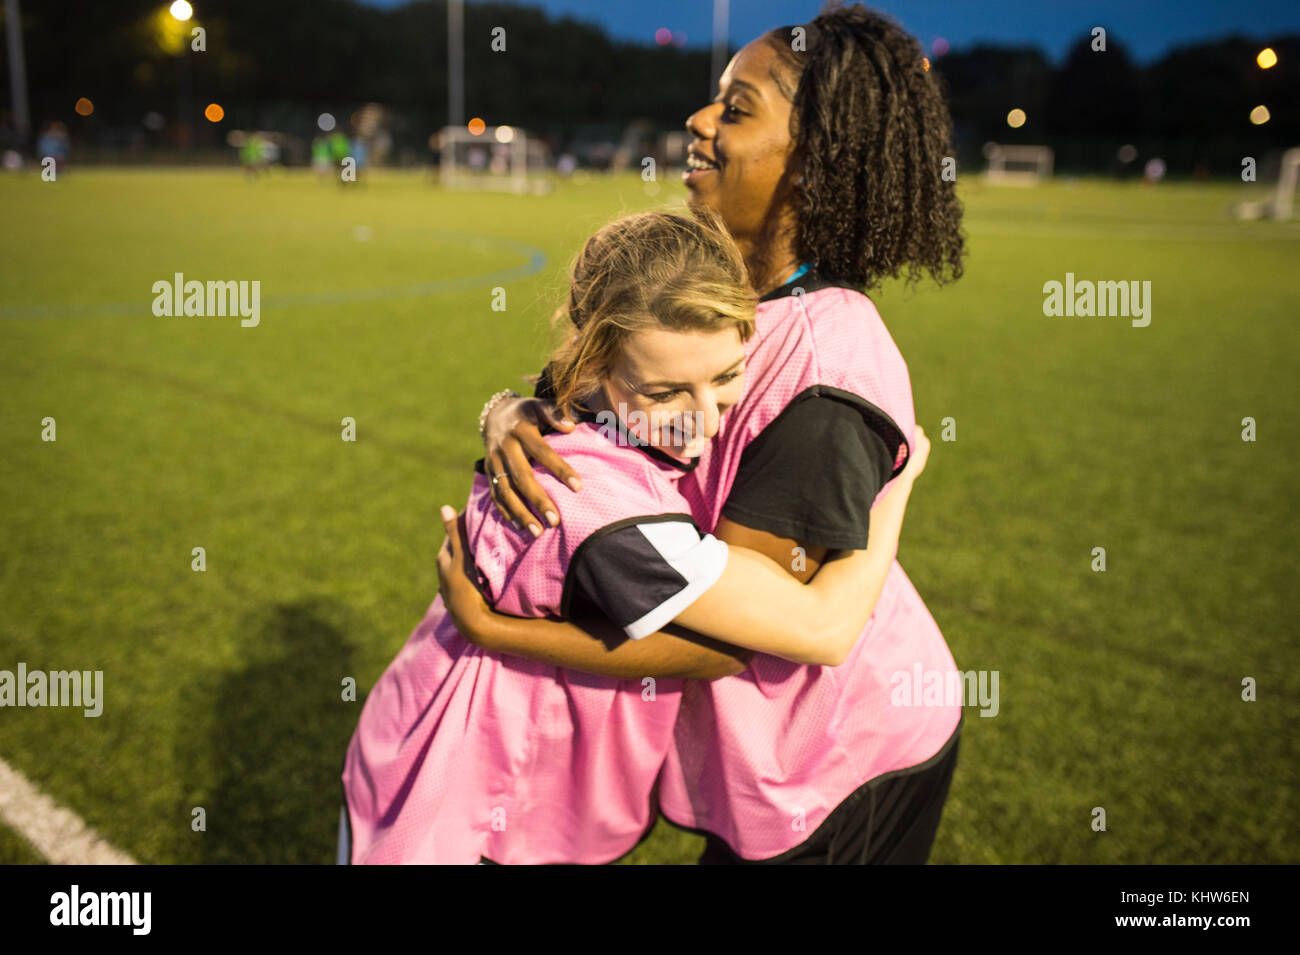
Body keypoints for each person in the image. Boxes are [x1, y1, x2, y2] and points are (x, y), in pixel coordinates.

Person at [460, 3, 966, 864]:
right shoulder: (701, 288)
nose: (698, 121)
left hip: (842, 759)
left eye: (737, 107)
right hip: (764, 750)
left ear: (816, 159)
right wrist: (507, 411)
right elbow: (578, 398)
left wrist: (496, 631)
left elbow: (734, 635)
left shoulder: (826, 372)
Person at [340, 210, 931, 864]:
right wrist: (901, 481)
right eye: (668, 392)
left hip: (437, 740)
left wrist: (503, 406)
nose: (704, 420)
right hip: (469, 797)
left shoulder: (576, 412)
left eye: (727, 376)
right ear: (597, 366)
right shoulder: (615, 520)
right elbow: (805, 634)